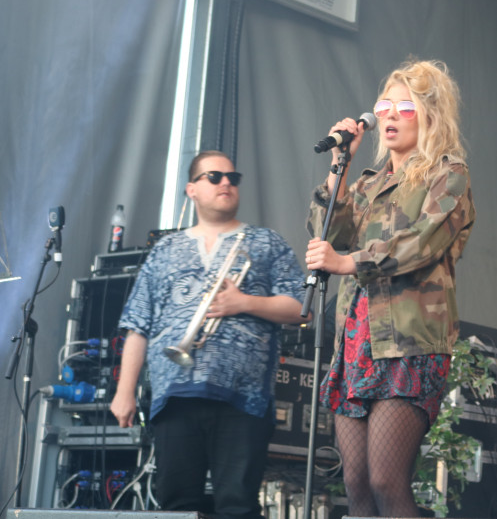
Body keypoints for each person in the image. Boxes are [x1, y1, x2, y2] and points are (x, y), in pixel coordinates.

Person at [304, 58, 475, 517]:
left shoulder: (449, 174)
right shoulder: (367, 184)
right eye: (384, 107)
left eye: (406, 107)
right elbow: (326, 233)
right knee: (357, 485)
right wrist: (340, 166)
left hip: (409, 343)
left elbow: (421, 243)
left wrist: (349, 262)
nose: (391, 115)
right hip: (357, 342)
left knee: (386, 480)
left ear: (430, 115)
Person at [110, 150, 307, 518]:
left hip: (244, 397)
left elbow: (300, 307)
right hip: (174, 395)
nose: (226, 183)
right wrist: (124, 391)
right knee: (177, 507)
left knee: (238, 506)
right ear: (192, 189)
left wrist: (244, 302)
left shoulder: (266, 243)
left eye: (233, 178)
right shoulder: (165, 250)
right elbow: (138, 324)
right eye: (215, 177)